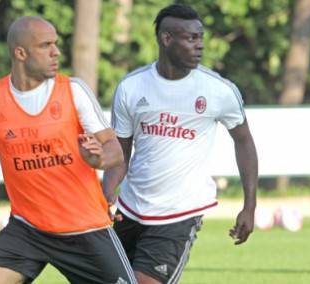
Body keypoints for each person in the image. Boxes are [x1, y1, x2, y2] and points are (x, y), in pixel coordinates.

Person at [0, 16, 137, 284]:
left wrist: (98, 158)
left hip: (86, 228)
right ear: (21, 53)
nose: (56, 52)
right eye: (46, 45)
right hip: (27, 230)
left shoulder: (74, 91)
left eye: (56, 44)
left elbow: (114, 150)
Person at [103, 4, 258, 284]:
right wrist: (105, 192)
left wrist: (250, 206)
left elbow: (244, 142)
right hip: (130, 210)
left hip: (178, 214)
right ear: (166, 39)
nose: (199, 46)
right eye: (191, 38)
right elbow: (120, 152)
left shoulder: (219, 90)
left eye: (200, 38)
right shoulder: (131, 87)